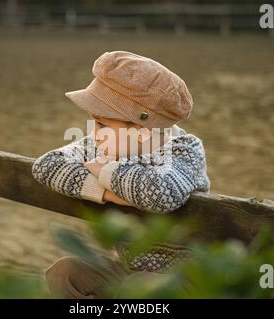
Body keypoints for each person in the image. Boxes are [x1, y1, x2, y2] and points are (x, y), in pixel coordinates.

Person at [32, 51, 211, 298]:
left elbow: (161, 194)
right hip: (130, 269)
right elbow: (46, 165)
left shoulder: (184, 150)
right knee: (63, 273)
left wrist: (105, 170)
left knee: (136, 287)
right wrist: (106, 192)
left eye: (102, 124)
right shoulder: (104, 144)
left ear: (142, 131)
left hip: (187, 281)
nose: (94, 133)